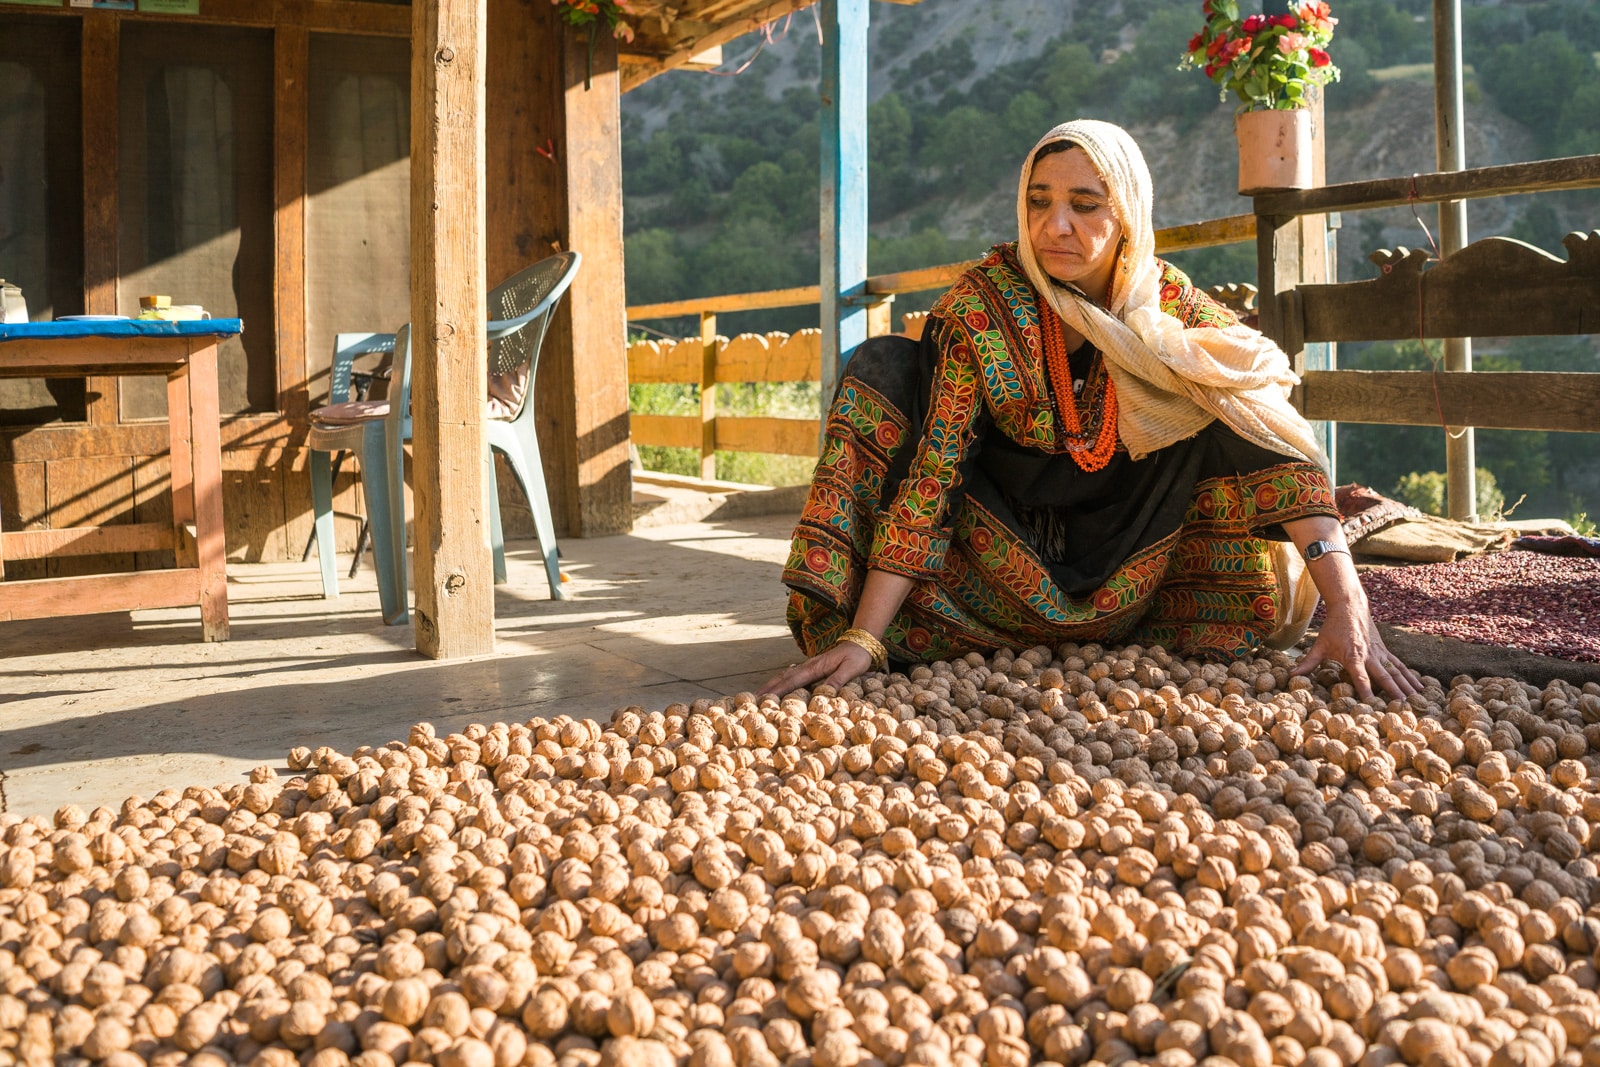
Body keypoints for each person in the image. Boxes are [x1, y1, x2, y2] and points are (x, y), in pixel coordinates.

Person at [761, 119, 1422, 703]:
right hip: (993, 568)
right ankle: (903, 623)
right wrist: (866, 640)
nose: (1056, 226)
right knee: (882, 366)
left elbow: (1274, 438)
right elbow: (932, 481)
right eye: (1039, 202)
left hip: (1141, 566)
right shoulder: (982, 308)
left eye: (1085, 205)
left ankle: (1201, 616)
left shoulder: (1166, 308)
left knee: (1228, 397)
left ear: (1127, 213)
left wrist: (1347, 602)